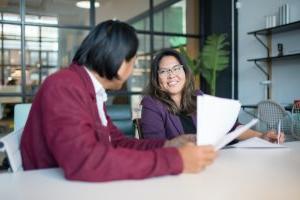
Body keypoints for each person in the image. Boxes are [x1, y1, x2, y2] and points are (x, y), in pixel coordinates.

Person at [20, 20, 217, 182]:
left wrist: (168, 145)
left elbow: (117, 142)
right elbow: (86, 162)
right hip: (51, 188)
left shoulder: (89, 89)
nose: (131, 71)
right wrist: (177, 160)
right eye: (132, 62)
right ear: (118, 60)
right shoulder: (63, 86)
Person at [140, 48, 285, 143]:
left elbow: (231, 127)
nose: (171, 75)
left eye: (176, 68)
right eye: (164, 71)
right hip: (180, 169)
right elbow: (155, 145)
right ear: (157, 78)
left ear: (185, 72)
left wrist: (261, 137)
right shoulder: (151, 104)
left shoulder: (198, 97)